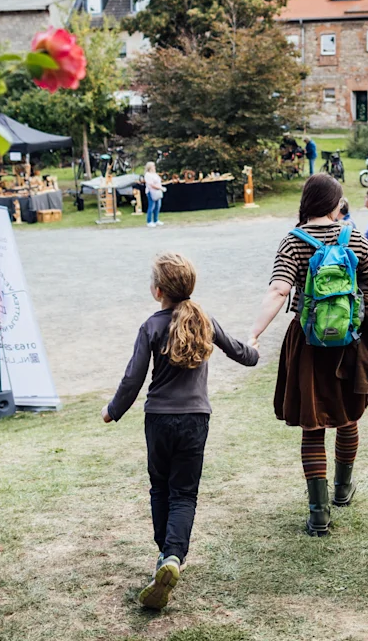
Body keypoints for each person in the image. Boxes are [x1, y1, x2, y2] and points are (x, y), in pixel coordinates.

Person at [248, 173, 368, 537]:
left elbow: (278, 291)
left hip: (307, 344)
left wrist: (255, 333)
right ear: (336, 205)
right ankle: (342, 490)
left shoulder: (293, 240)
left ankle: (318, 515)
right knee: (347, 418)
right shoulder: (353, 236)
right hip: (350, 343)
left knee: (313, 425)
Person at [102, 253, 259, 610]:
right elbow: (240, 353)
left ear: (158, 291)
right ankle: (173, 556)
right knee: (184, 494)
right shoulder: (204, 320)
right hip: (195, 420)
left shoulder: (151, 326)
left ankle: (165, 555)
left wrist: (112, 410)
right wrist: (253, 351)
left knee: (160, 487)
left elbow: (132, 378)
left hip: (158, 420)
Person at [144, 161, 166, 227]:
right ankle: (149, 221)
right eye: (153, 166)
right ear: (150, 167)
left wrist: (160, 187)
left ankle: (156, 220)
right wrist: (160, 188)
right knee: (151, 206)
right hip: (151, 192)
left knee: (158, 206)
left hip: (157, 192)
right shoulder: (147, 175)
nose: (154, 167)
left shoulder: (155, 174)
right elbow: (151, 184)